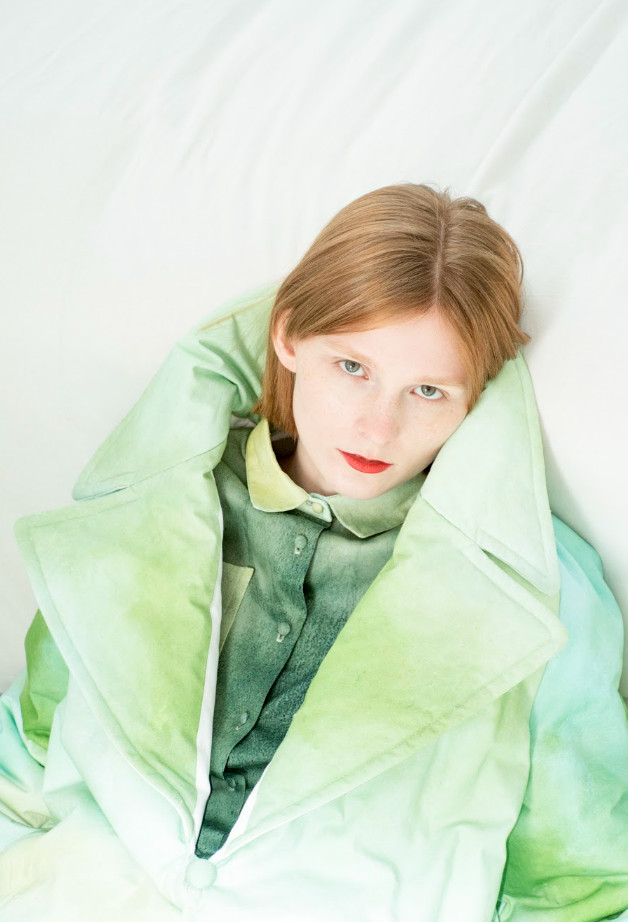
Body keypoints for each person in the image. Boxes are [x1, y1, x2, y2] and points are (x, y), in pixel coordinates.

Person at [1, 184, 627, 922]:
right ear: (289, 336)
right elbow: (28, 750)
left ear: (478, 398)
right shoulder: (159, 503)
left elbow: (580, 888)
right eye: (352, 367)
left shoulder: (539, 589)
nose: (378, 427)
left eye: (428, 390)